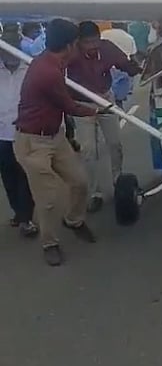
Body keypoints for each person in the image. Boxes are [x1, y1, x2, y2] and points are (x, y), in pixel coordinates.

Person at [14, 19, 99, 266]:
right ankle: (49, 243)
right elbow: (69, 106)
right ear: (69, 45)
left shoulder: (54, 61)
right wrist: (97, 110)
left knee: (80, 182)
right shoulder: (48, 72)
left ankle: (73, 220)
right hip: (33, 142)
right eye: (77, 43)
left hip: (55, 136)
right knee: (48, 199)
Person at [68, 21, 141, 212]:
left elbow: (126, 64)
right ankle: (94, 193)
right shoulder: (71, 53)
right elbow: (56, 71)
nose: (93, 46)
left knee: (115, 144)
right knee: (88, 150)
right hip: (81, 105)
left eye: (96, 41)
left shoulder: (107, 48)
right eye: (88, 43)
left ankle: (118, 181)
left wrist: (141, 68)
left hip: (106, 99)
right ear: (79, 42)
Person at [0, 30, 37, 237]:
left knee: (25, 176)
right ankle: (18, 212)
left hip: (25, 132)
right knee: (8, 177)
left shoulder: (30, 69)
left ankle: (26, 218)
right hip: (2, 135)